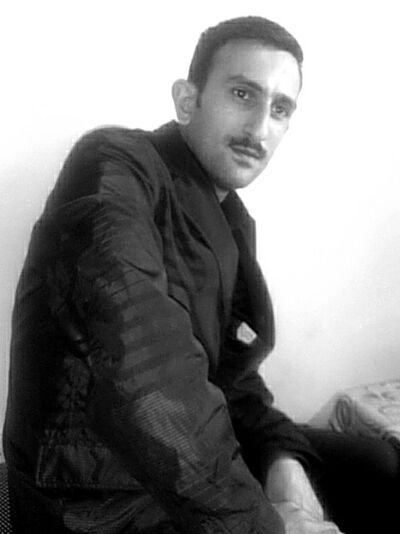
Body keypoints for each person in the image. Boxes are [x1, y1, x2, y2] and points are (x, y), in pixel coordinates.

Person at [3, 15, 399, 534]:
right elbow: (144, 369)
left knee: (375, 467)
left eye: (280, 109)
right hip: (96, 494)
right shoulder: (113, 166)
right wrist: (265, 526)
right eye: (243, 94)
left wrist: (280, 455)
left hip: (182, 459)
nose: (260, 128)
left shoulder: (232, 221)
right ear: (188, 100)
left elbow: (233, 374)